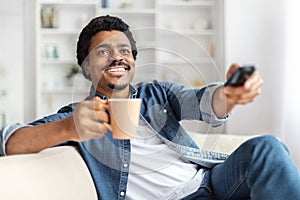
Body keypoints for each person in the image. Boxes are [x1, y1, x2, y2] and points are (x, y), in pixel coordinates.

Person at [1, 15, 300, 200]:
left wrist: (229, 94)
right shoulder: (78, 116)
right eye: (103, 52)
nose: (117, 57)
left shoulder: (156, 94)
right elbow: (9, 141)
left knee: (268, 148)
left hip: (212, 181)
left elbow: (202, 103)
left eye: (124, 50)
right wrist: (67, 128)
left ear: (133, 60)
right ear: (86, 68)